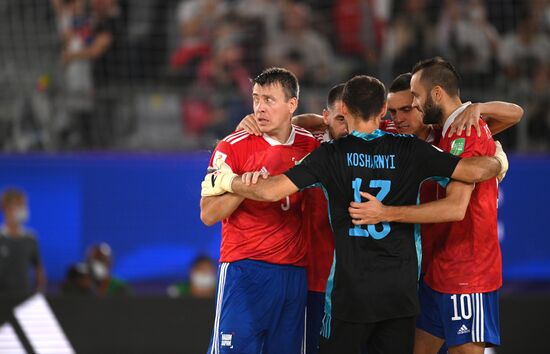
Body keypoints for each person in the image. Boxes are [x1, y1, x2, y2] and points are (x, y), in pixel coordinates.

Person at [202, 75, 507, 354]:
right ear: (384, 109)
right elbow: (471, 170)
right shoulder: (410, 149)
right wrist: (496, 159)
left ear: (344, 108)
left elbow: (270, 191)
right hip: (399, 294)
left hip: (349, 294)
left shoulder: (329, 154)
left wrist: (229, 180)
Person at [200, 67, 319, 354]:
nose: (260, 108)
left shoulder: (311, 145)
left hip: (294, 273)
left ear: (292, 105)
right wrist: (244, 186)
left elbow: (332, 124)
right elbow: (208, 214)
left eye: (269, 100)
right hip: (245, 269)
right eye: (256, 99)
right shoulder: (232, 146)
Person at [0, 188, 46, 299]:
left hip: (24, 297)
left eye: (24, 205)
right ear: (6, 208)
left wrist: (39, 292)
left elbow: (38, 268)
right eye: (19, 205)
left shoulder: (30, 238)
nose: (23, 209)